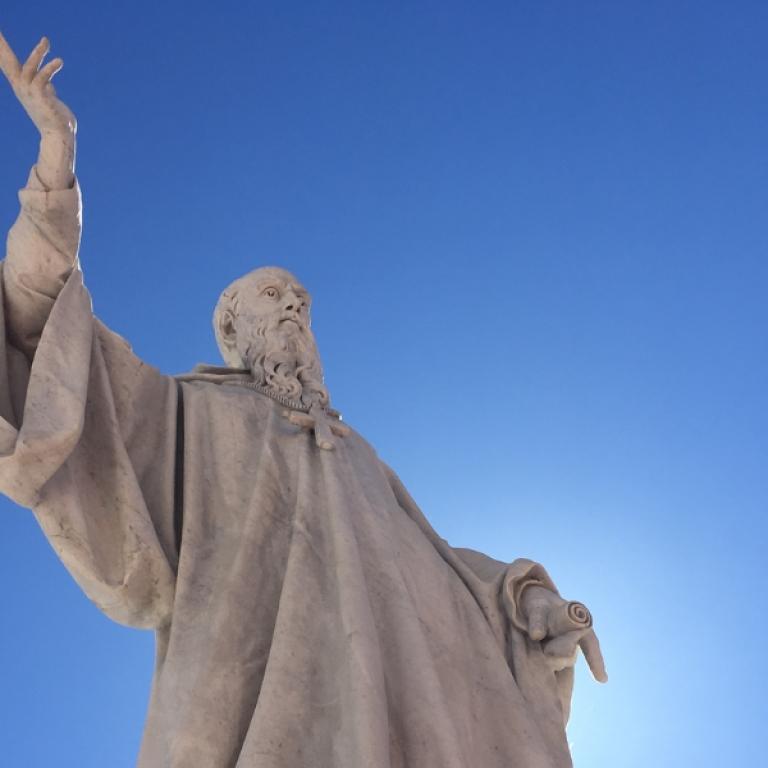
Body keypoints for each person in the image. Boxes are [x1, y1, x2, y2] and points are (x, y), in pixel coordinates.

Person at [0, 33, 606, 768]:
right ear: (230, 326)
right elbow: (42, 337)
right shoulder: (193, 415)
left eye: (301, 299)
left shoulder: (357, 458)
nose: (292, 306)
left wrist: (525, 604)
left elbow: (438, 570)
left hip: (386, 720)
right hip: (248, 716)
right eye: (271, 294)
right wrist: (56, 163)